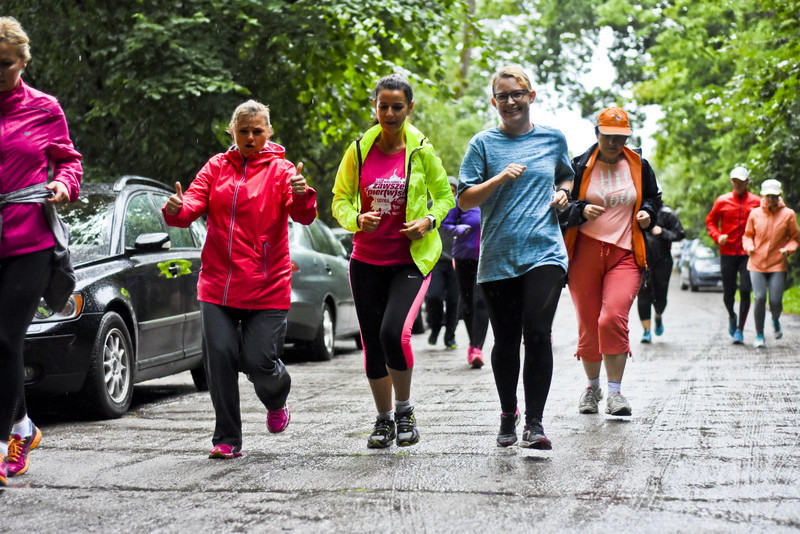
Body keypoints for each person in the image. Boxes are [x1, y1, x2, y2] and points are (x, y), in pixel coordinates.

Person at [163, 100, 317, 459]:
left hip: (267, 285)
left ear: (269, 133)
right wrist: (176, 209)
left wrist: (302, 193)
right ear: (232, 131)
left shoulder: (282, 171)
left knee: (259, 360)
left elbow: (304, 216)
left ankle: (276, 397)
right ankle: (227, 438)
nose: (250, 137)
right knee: (219, 359)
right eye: (244, 130)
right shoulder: (217, 167)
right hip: (217, 283)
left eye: (257, 131)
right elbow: (190, 208)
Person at [331, 74, 453, 449]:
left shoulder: (421, 151)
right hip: (366, 261)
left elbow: (446, 197)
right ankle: (383, 420)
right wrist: (355, 219)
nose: (388, 113)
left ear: (409, 108)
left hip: (409, 261)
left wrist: (428, 220)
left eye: (396, 107)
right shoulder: (358, 150)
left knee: (392, 334)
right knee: (372, 343)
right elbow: (339, 199)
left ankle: (405, 410)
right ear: (375, 108)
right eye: (382, 106)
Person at [459, 65, 573, 449]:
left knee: (538, 333)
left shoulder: (553, 138)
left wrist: (563, 193)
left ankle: (535, 424)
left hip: (545, 250)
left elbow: (566, 175)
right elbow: (465, 198)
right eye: (503, 96)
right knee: (506, 340)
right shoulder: (483, 145)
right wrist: (499, 179)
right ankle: (509, 413)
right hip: (498, 256)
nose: (511, 101)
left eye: (517, 94)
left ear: (531, 96)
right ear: (494, 102)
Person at [0, 17, 83, 485]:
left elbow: (69, 160)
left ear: (24, 62)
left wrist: (62, 183)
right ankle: (22, 427)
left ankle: (3, 442)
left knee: (7, 340)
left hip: (30, 236)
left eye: (5, 65)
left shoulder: (44, 108)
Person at [560, 107, 661, 418]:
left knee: (611, 318)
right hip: (584, 253)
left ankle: (615, 393)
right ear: (597, 134)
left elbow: (654, 198)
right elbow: (562, 207)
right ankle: (592, 388)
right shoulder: (577, 166)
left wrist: (647, 213)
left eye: (621, 137)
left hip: (625, 253)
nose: (615, 143)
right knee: (589, 326)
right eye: (609, 136)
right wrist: (581, 210)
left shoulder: (639, 164)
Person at [705, 166, 761, 344]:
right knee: (728, 293)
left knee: (745, 290)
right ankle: (732, 314)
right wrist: (717, 236)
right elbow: (710, 221)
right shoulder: (722, 201)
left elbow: (771, 213)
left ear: (747, 182)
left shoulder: (758, 202)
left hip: (748, 252)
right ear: (731, 181)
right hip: (727, 252)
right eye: (734, 181)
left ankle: (740, 330)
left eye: (741, 181)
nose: (737, 184)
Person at [742, 179, 798, 348]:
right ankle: (759, 334)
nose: (771, 200)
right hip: (756, 262)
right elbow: (747, 235)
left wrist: (788, 249)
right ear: (763, 196)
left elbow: (794, 238)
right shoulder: (755, 214)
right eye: (768, 196)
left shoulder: (788, 214)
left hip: (777, 263)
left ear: (779, 196)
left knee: (775, 301)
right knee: (759, 298)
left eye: (774, 196)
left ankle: (775, 319)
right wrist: (749, 246)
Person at [441, 177, 489, 368]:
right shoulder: (460, 200)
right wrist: (456, 229)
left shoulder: (489, 198)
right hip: (463, 258)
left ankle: (478, 348)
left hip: (486, 257)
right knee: (468, 302)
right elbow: (445, 224)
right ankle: (472, 343)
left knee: (481, 300)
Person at [637, 205, 685, 343]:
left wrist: (662, 232)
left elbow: (680, 233)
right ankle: (646, 331)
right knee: (643, 294)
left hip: (663, 261)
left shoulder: (667, 213)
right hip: (643, 260)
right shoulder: (636, 212)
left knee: (660, 295)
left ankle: (658, 315)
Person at [425, 177, 460, 350]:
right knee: (434, 297)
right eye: (448, 190)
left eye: (454, 191)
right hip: (437, 261)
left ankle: (450, 336)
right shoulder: (431, 205)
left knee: (454, 301)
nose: (451, 194)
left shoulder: (461, 208)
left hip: (456, 261)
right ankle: (435, 327)